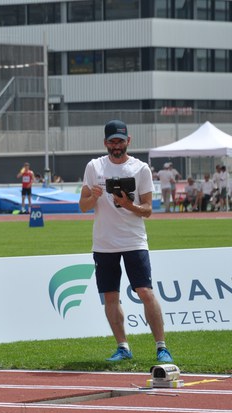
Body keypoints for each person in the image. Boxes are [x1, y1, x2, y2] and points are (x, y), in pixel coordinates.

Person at [79, 119, 173, 363]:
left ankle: (161, 347)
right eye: (112, 141)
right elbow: (82, 205)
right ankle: (123, 347)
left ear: (128, 141)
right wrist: (95, 197)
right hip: (104, 242)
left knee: (145, 291)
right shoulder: (94, 167)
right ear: (105, 143)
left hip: (134, 240)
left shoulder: (140, 169)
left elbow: (148, 210)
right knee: (110, 296)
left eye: (120, 141)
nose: (116, 145)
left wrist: (127, 204)